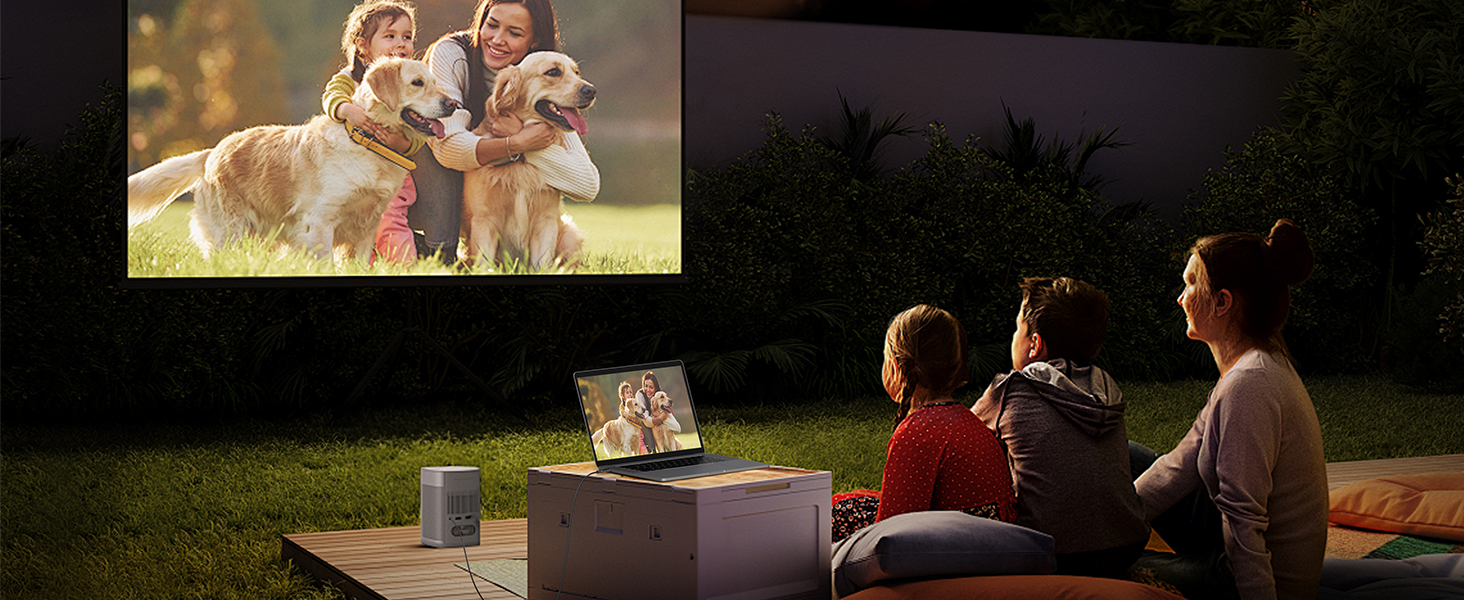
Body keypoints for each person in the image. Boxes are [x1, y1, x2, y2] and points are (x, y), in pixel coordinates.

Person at [1132, 219, 1326, 600]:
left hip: (1253, 576)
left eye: (1191, 284)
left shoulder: (1249, 385)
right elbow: (1179, 465)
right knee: (1127, 456)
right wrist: (1107, 529)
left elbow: (1243, 521)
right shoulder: (1250, 365)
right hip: (1230, 544)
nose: (1181, 299)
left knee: (1115, 573)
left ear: (1222, 302)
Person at [971, 277, 1149, 578]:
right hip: (1127, 545)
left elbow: (962, 433)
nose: (1013, 337)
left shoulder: (1012, 388)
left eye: (1017, 329)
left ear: (1035, 344)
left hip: (1052, 552)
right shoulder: (1106, 387)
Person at [412, 0, 599, 263]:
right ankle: (439, 252)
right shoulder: (453, 53)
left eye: (515, 33)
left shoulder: (543, 75)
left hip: (502, 165)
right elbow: (448, 147)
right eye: (491, 25)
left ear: (534, 41)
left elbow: (587, 185)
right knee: (430, 139)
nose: (498, 39)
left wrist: (530, 143)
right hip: (447, 168)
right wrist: (516, 143)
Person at [831, 304, 1016, 542]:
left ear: (897, 366)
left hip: (951, 546)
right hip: (986, 539)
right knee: (850, 500)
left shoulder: (917, 432)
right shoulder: (968, 420)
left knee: (835, 516)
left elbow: (892, 530)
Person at [320, 0, 425, 265]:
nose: (401, 44)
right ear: (363, 46)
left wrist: (402, 142)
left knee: (390, 222)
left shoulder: (411, 81)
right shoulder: (350, 78)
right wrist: (347, 110)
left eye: (407, 37)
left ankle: (403, 269)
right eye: (390, 36)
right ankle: (359, 270)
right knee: (356, 229)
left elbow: (420, 132)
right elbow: (331, 97)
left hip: (391, 176)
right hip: (353, 173)